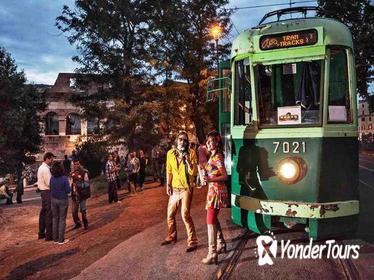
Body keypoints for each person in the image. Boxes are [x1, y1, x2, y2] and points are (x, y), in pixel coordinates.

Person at [161, 131, 198, 252]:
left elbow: (194, 172)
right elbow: (169, 170)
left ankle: (192, 241)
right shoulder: (170, 153)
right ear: (177, 140)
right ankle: (172, 236)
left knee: (185, 215)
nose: (182, 142)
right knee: (170, 215)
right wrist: (168, 185)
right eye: (180, 139)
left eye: (184, 140)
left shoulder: (191, 153)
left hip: (186, 189)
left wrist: (187, 160)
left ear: (187, 143)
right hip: (175, 189)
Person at [201, 131, 229, 265]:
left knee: (210, 219)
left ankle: (212, 253)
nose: (209, 143)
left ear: (217, 142)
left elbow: (225, 176)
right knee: (213, 218)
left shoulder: (217, 156)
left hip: (217, 190)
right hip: (212, 189)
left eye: (212, 141)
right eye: (208, 141)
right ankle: (221, 243)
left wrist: (210, 178)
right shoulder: (212, 155)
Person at [50, 162, 71, 245]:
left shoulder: (52, 178)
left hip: (53, 199)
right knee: (62, 219)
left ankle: (55, 239)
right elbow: (68, 190)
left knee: (55, 219)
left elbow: (51, 188)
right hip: (63, 200)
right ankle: (61, 240)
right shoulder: (64, 178)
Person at [37, 152, 56, 241]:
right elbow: (49, 183)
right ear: (47, 158)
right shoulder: (45, 169)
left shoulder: (41, 168)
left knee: (43, 213)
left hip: (43, 192)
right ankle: (49, 235)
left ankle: (41, 233)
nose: (52, 160)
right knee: (49, 213)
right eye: (52, 158)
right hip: (47, 192)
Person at [70, 159, 91, 230]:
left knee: (83, 210)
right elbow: (70, 183)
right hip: (74, 195)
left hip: (82, 194)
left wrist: (79, 185)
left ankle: (86, 224)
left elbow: (87, 183)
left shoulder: (84, 172)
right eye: (75, 164)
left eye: (77, 164)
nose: (76, 165)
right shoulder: (71, 173)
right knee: (73, 211)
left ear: (80, 164)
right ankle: (78, 223)